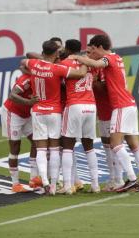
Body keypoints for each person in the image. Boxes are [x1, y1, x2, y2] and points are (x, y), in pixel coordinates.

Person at [74, 34, 139, 192]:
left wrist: (77, 57)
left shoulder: (109, 58)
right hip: (130, 103)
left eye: (94, 49)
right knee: (134, 145)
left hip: (121, 105)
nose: (93, 52)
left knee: (115, 144)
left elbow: (96, 62)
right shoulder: (117, 57)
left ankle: (131, 179)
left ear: (99, 47)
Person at [21, 40, 87, 195]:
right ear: (57, 53)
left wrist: (31, 73)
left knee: (41, 149)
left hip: (38, 110)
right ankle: (52, 185)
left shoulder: (34, 64)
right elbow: (81, 74)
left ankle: (44, 180)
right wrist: (84, 61)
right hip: (54, 111)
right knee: (55, 148)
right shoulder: (58, 69)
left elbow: (23, 61)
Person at [59, 39, 99, 194]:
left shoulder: (64, 63)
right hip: (91, 105)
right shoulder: (88, 63)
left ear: (67, 49)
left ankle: (68, 185)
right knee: (89, 147)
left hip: (74, 105)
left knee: (67, 145)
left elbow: (58, 81)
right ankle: (95, 185)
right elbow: (94, 77)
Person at [90, 44, 124, 192]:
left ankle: (120, 179)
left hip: (112, 110)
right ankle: (112, 179)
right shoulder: (95, 67)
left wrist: (93, 82)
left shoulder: (104, 66)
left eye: (91, 51)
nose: (89, 54)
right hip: (103, 112)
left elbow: (104, 89)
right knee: (106, 148)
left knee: (114, 147)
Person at [1, 74, 39, 192]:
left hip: (27, 114)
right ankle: (15, 183)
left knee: (37, 141)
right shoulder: (27, 79)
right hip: (13, 113)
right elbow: (12, 95)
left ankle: (34, 178)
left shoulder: (46, 77)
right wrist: (29, 102)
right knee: (15, 147)